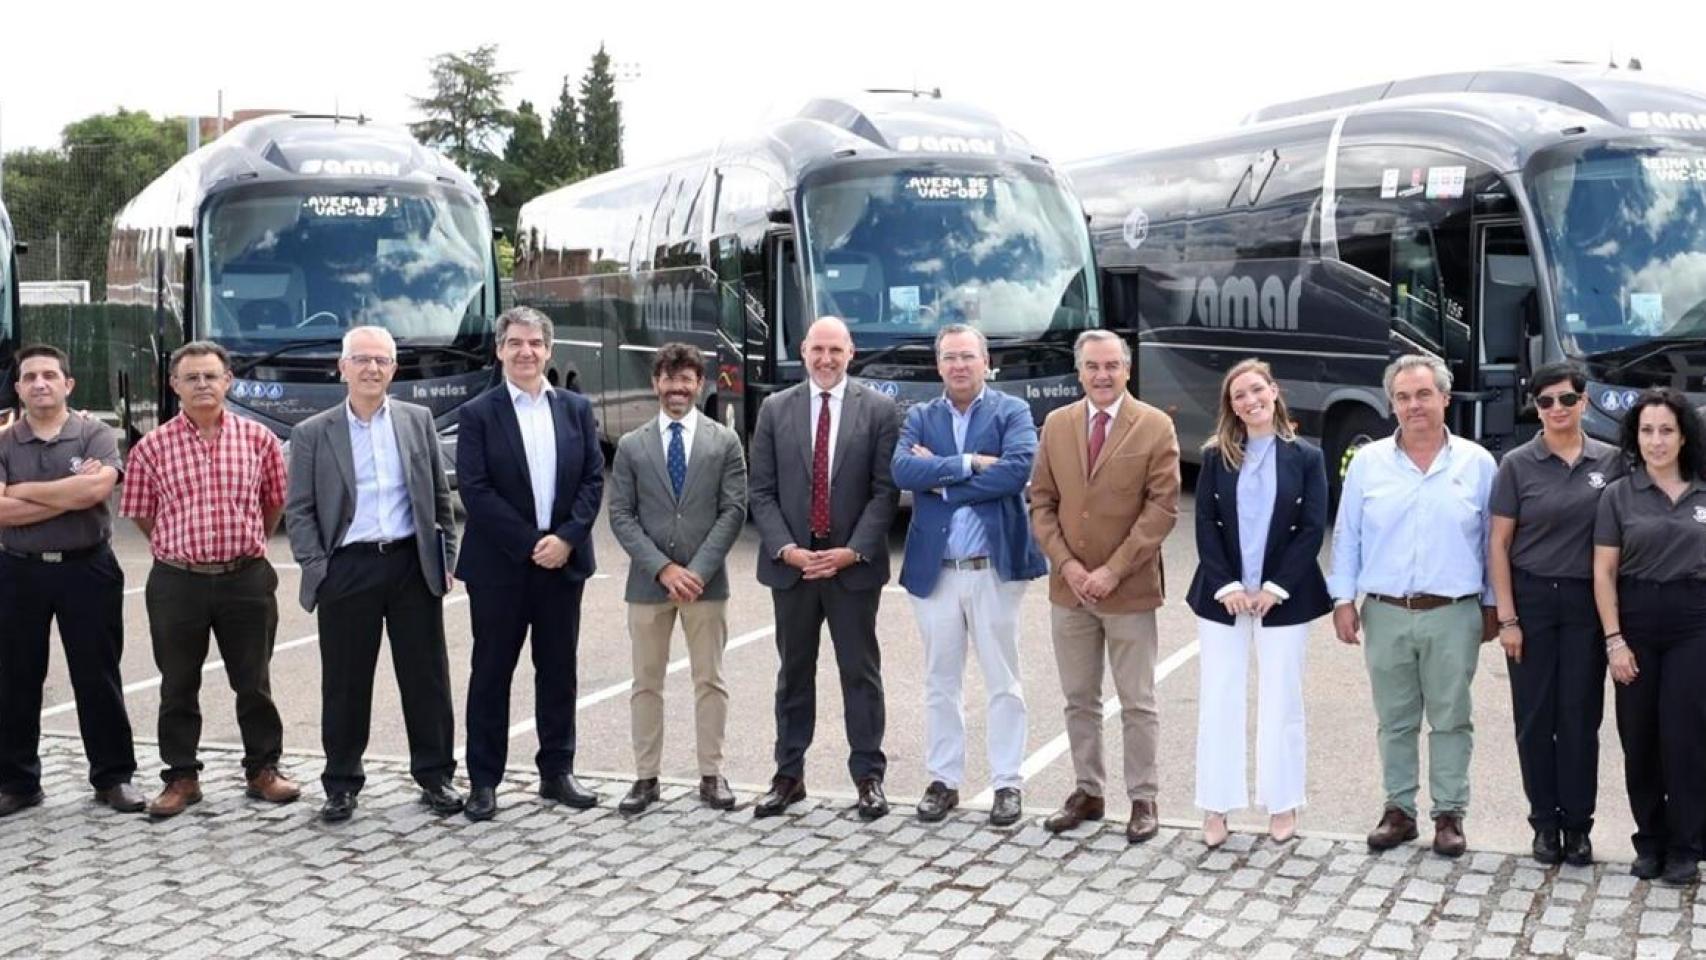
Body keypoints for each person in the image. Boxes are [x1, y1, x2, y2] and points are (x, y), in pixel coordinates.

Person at [284, 326, 462, 823]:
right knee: (345, 682)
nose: (371, 369)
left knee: (426, 678)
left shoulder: (416, 420)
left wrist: (444, 558)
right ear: (341, 368)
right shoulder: (314, 432)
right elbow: (298, 510)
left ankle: (435, 777)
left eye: (381, 360)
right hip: (348, 567)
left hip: (410, 563)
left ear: (393, 368)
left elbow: (439, 498)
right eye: (360, 359)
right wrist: (318, 567)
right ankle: (341, 783)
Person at [120, 341, 300, 817]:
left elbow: (274, 502)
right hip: (178, 581)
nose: (202, 385)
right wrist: (180, 547)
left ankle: (263, 770)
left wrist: (246, 541)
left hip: (246, 578)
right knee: (178, 683)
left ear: (228, 381)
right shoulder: (152, 446)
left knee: (253, 681)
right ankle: (181, 777)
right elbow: (141, 513)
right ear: (174, 384)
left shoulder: (258, 439)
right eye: (192, 377)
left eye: (211, 376)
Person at [1330, 354, 1497, 858]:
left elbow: (1493, 541)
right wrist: (1343, 598)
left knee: (1451, 718)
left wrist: (1491, 605)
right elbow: (1347, 535)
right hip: (1385, 611)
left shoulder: (1477, 464)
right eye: (1403, 397)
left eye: (1424, 394)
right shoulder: (1367, 463)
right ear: (1391, 404)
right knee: (1395, 718)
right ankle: (1398, 810)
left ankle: (1449, 814)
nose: (1414, 405)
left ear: (1445, 398)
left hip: (1453, 611)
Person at [891, 324, 1047, 828]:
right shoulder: (920, 415)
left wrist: (942, 480)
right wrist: (968, 463)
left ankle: (1007, 783)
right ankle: (944, 780)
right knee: (940, 682)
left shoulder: (1012, 411)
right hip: (936, 573)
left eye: (968, 357)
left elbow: (1017, 471)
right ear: (938, 366)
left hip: (992, 571)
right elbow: (901, 472)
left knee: (1004, 682)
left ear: (986, 361)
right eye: (950, 358)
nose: (959, 366)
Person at [1030, 329, 1180, 843]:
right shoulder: (1057, 424)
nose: (1102, 375)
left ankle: (1144, 797)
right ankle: (1087, 790)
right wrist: (1068, 565)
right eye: (1093, 366)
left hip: (1128, 589)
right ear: (1079, 372)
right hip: (1069, 589)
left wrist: (1113, 570)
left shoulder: (1155, 426)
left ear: (1127, 369)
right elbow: (1041, 503)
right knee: (1078, 698)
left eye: (1112, 365)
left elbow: (1161, 510)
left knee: (1137, 700)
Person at [456, 306, 604, 822]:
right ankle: (484, 781)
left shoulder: (576, 410)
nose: (526, 352)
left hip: (562, 565)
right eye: (515, 343)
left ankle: (557, 772)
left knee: (558, 671)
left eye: (535, 343)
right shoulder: (478, 414)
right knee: (492, 673)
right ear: (499, 350)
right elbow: (474, 490)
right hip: (500, 567)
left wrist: (564, 539)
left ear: (549, 349)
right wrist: (529, 543)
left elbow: (592, 481)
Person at [748, 315, 899, 820]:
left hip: (850, 568)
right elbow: (761, 492)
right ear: (803, 350)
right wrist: (786, 549)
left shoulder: (878, 410)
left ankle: (868, 778)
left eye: (836, 350)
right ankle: (788, 775)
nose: (826, 359)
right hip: (793, 566)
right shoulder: (774, 409)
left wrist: (852, 550)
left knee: (859, 673)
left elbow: (884, 492)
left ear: (851, 352)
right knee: (793, 674)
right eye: (818, 350)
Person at [1184, 359, 1331, 847]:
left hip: (1283, 598)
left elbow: (1312, 528)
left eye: (1256, 390)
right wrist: (1226, 585)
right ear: (1231, 406)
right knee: (1219, 700)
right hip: (1222, 597)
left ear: (1274, 390)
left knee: (1281, 701)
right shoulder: (1215, 456)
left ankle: (1283, 802)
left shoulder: (1307, 457)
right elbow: (1205, 523)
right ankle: (1216, 805)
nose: (1250, 401)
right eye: (1238, 396)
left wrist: (1275, 587)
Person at [1488, 362, 1622, 867]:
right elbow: (1498, 544)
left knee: (1581, 717)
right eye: (1546, 402)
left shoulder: (1612, 463)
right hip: (1533, 602)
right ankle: (1545, 823)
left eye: (1567, 399)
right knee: (1534, 718)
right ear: (1536, 408)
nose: (1557, 410)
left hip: (1587, 605)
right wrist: (1507, 618)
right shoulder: (1517, 465)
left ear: (1584, 402)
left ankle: (1578, 826)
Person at [0, 345, 141, 817]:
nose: (40, 383)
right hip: (18, 569)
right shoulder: (3, 441)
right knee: (15, 677)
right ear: (18, 388)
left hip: (89, 569)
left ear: (68, 384)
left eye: (49, 375)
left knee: (97, 674)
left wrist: (22, 493)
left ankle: (113, 777)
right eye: (30, 377)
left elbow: (98, 489)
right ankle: (18, 783)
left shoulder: (95, 433)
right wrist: (70, 494)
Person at [607, 342, 747, 815]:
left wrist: (698, 570)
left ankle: (713, 774)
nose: (677, 388)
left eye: (686, 380)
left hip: (707, 584)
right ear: (655, 384)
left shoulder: (724, 441)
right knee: (646, 684)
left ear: (700, 385)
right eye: (668, 379)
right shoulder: (631, 445)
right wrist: (663, 568)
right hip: (648, 585)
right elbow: (621, 515)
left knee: (710, 680)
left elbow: (733, 510)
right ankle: (646, 778)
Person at [1592, 388, 1706, 886]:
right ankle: (1651, 841)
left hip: (1694, 623)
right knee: (1639, 738)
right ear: (1634, 437)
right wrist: (1615, 640)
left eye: (1666, 430)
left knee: (1685, 738)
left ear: (1683, 436)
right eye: (1647, 430)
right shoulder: (1618, 495)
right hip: (1635, 620)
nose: (1656, 440)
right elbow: (1603, 573)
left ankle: (1687, 847)